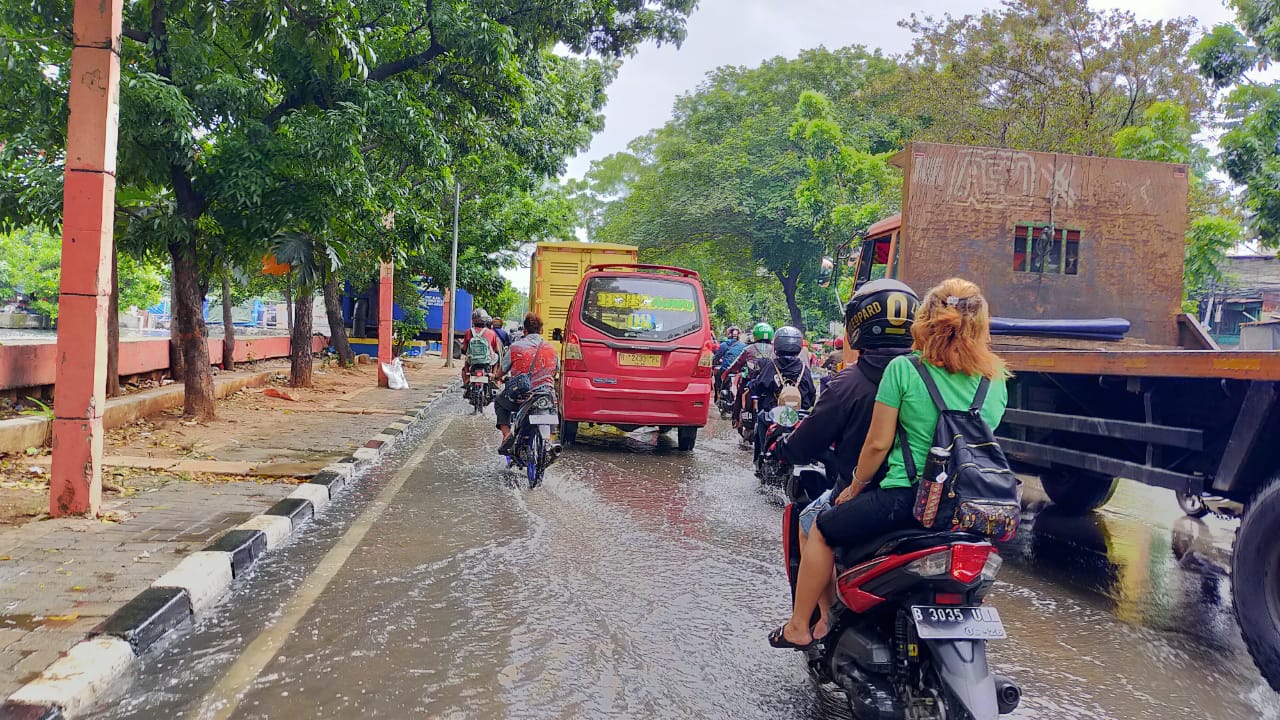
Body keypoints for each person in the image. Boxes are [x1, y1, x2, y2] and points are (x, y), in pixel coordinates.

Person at [771, 277, 1010, 650]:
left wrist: (855, 487)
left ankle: (800, 626)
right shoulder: (996, 380)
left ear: (925, 321)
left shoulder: (905, 370)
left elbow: (878, 444)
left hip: (906, 502)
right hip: (970, 508)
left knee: (821, 525)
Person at [766, 279, 920, 635]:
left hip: (873, 494)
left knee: (811, 521)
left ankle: (817, 621)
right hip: (934, 497)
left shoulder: (850, 382)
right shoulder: (932, 376)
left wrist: (785, 447)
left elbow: (818, 441)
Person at [493, 313, 560, 455]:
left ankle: (506, 435)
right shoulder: (552, 349)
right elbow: (556, 370)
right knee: (554, 408)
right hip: (546, 397)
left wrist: (496, 377)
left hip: (522, 397)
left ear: (525, 330)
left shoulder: (515, 347)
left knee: (499, 400)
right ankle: (550, 442)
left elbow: (501, 372)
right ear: (541, 330)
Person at [751, 326, 816, 463]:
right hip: (799, 415)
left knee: (761, 418)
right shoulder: (804, 369)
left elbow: (757, 386)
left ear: (777, 345)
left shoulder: (771, 366)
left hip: (775, 414)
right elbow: (812, 396)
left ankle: (762, 455)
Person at [724, 322, 776, 426]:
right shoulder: (775, 350)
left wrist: (727, 371)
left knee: (739, 395)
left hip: (750, 381)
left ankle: (735, 420)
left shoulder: (748, 349)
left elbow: (737, 364)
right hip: (769, 382)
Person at [461, 308, 502, 393]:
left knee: (465, 362)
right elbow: (496, 349)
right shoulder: (491, 333)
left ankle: (467, 379)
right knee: (496, 358)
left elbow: (464, 349)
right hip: (486, 360)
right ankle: (493, 377)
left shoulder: (468, 332)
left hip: (472, 361)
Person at [713, 326, 744, 397]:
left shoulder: (724, 345)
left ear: (728, 334)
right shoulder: (744, 346)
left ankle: (718, 393)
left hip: (726, 369)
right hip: (739, 371)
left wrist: (713, 363)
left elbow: (717, 358)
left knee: (717, 377)